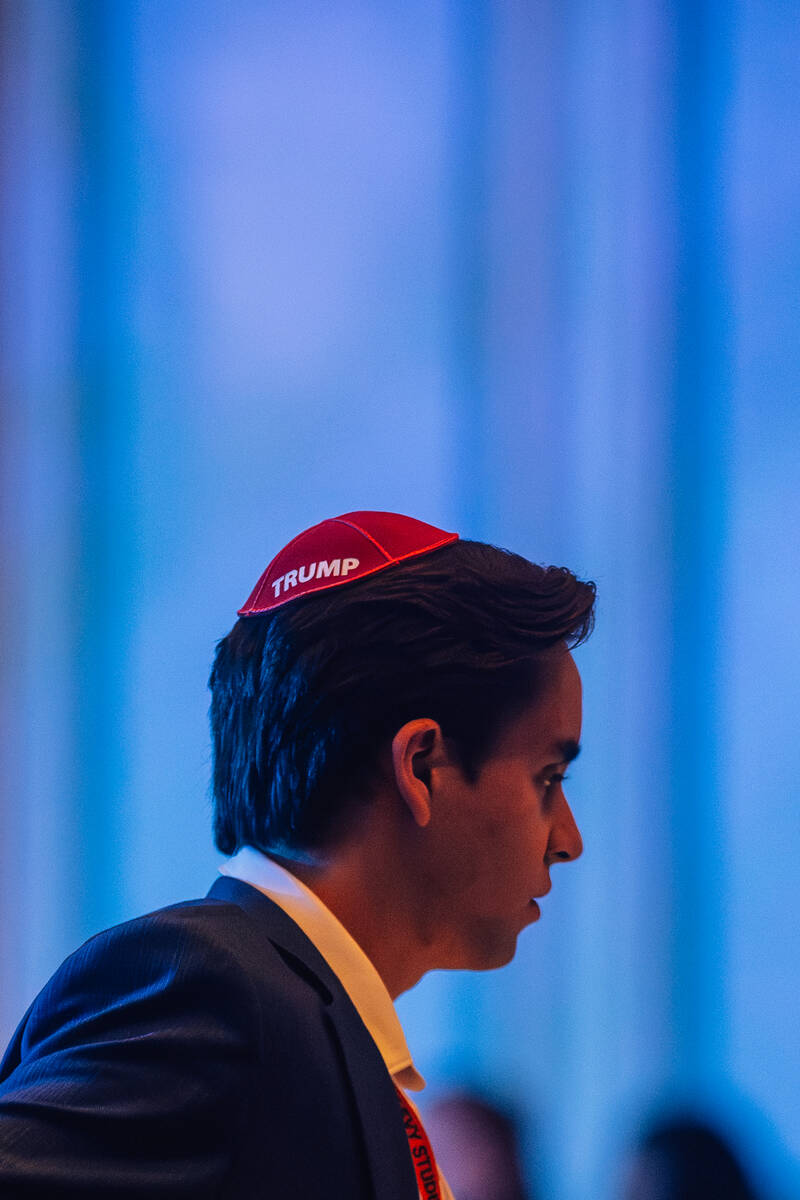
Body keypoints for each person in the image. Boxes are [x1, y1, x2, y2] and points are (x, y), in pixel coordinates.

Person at [0, 510, 595, 1198]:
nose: (568, 841)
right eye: (548, 778)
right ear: (422, 767)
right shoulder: (214, 991)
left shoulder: (299, 1011)